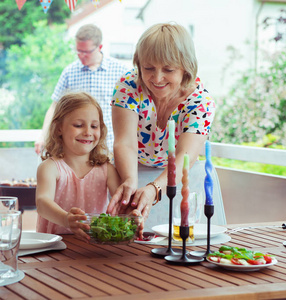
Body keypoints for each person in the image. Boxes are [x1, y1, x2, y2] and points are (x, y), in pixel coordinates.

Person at [106, 23, 217, 225]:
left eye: (168, 69)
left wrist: (154, 189)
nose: (157, 78)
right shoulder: (129, 86)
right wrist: (130, 181)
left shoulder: (201, 102)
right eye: (148, 68)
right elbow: (125, 143)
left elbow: (185, 156)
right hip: (129, 170)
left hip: (180, 181)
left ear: (186, 68)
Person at [35, 92, 131, 242]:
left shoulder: (107, 170)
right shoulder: (50, 168)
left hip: (95, 248)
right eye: (78, 125)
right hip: (54, 248)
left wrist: (132, 213)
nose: (88, 132)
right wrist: (66, 219)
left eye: (94, 126)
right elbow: (42, 203)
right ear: (59, 128)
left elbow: (121, 206)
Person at [35, 24, 128, 154]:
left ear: (99, 47)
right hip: (77, 149)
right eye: (78, 51)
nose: (81, 56)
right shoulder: (69, 72)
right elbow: (54, 107)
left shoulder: (121, 71)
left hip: (110, 146)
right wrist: (43, 136)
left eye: (86, 52)